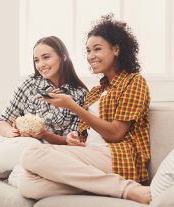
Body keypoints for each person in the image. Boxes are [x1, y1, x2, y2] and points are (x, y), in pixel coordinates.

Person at [18, 14, 152, 204]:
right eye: (88, 51)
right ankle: (103, 186)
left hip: (118, 155)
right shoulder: (95, 92)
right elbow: (87, 135)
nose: (91, 56)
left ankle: (125, 188)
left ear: (116, 49)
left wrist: (72, 106)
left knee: (32, 153)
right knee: (27, 183)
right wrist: (76, 138)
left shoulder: (134, 82)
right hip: (92, 153)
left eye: (97, 49)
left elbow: (115, 134)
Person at [0, 36, 88, 186]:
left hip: (43, 153)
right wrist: (11, 133)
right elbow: (3, 121)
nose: (41, 65)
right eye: (36, 60)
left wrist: (45, 135)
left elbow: (69, 141)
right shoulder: (29, 84)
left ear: (63, 56)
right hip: (11, 146)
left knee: (32, 151)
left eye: (46, 57)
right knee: (19, 144)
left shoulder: (80, 95)